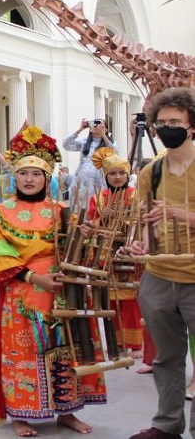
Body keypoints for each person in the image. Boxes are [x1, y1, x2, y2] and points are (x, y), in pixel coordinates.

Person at [0, 125, 105, 437]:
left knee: (67, 348)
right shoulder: (0, 213)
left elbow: (80, 249)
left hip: (62, 290)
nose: (30, 179)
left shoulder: (61, 210)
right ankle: (21, 413)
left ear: (47, 177)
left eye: (36, 173)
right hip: (22, 293)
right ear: (15, 177)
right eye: (24, 173)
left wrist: (85, 236)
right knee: (22, 352)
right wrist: (35, 278)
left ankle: (67, 411)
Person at [127, 88, 195, 439]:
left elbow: (171, 213)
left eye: (175, 122)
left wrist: (181, 214)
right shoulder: (150, 172)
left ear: (191, 125)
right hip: (158, 275)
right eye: (162, 122)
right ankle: (167, 425)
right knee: (165, 358)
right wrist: (139, 242)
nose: (168, 128)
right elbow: (143, 219)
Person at [84, 148, 142, 354]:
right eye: (112, 174)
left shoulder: (136, 196)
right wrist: (103, 219)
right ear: (106, 176)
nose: (117, 177)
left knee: (131, 298)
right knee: (111, 298)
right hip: (105, 250)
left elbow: (140, 222)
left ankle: (135, 343)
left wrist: (126, 220)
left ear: (127, 175)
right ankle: (116, 342)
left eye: (121, 173)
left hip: (128, 249)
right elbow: (92, 223)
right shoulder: (98, 198)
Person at [62, 117, 119, 209]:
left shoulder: (110, 143)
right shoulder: (84, 142)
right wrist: (80, 129)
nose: (96, 126)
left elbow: (115, 153)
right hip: (81, 179)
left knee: (96, 204)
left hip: (98, 179)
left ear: (105, 128)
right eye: (94, 123)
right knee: (79, 205)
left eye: (99, 124)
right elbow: (66, 144)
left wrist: (104, 135)